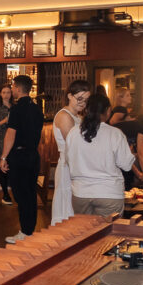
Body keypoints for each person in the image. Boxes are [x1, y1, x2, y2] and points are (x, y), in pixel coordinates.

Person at [65, 89, 133, 217]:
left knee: (84, 230)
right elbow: (126, 165)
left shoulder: (73, 132)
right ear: (108, 111)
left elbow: (69, 160)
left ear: (86, 110)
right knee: (108, 230)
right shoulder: (115, 134)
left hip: (81, 193)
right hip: (109, 193)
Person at [0, 74, 45, 242]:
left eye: (13, 87)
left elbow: (11, 134)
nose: (12, 90)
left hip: (19, 156)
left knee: (21, 194)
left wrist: (3, 157)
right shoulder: (37, 109)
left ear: (18, 89)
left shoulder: (16, 109)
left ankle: (25, 231)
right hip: (33, 155)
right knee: (31, 193)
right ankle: (29, 229)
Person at [50, 79, 92, 224]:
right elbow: (74, 145)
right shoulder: (64, 115)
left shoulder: (79, 117)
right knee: (66, 206)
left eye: (86, 100)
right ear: (69, 95)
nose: (83, 103)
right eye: (80, 98)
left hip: (78, 164)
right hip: (69, 165)